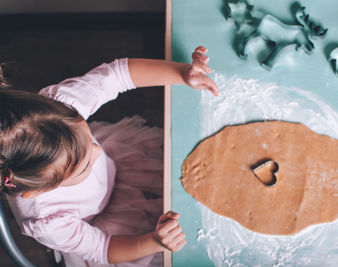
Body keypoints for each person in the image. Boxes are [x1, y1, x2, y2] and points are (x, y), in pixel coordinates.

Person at [0, 46, 218, 266]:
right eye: (83, 167)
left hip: (118, 164)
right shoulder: (47, 221)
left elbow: (117, 75)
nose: (96, 152)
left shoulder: (61, 106)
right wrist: (155, 241)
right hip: (105, 223)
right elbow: (104, 248)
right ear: (40, 189)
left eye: (88, 137)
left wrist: (181, 73)